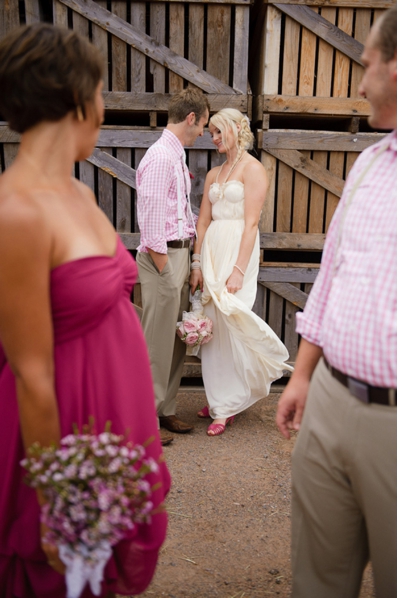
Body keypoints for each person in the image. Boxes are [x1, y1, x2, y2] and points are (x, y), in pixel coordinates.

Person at [0, 23, 170, 596]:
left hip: (108, 428)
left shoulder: (79, 192)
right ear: (76, 96)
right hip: (62, 443)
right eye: (99, 93)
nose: (103, 109)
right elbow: (32, 372)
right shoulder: (16, 212)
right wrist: (60, 500)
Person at [275, 7, 397, 597]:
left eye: (368, 65)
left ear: (398, 70)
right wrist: (302, 375)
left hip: (397, 421)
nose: (360, 81)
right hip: (328, 399)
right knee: (317, 579)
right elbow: (331, 273)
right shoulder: (370, 164)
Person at [191, 108, 291, 436]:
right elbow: (203, 222)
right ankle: (220, 398)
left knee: (232, 320)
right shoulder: (213, 175)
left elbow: (251, 224)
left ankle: (227, 405)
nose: (214, 138)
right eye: (212, 134)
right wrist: (196, 262)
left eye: (219, 132)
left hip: (238, 251)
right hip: (211, 252)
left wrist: (238, 269)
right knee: (212, 325)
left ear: (235, 129)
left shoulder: (253, 169)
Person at [136, 87, 210, 445]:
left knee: (177, 340)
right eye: (203, 125)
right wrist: (166, 267)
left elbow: (179, 213)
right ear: (191, 118)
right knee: (157, 342)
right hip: (161, 258)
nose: (203, 134)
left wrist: (193, 261)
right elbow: (150, 221)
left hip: (179, 255)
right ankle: (145, 419)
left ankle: (165, 410)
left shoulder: (175, 157)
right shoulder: (161, 157)